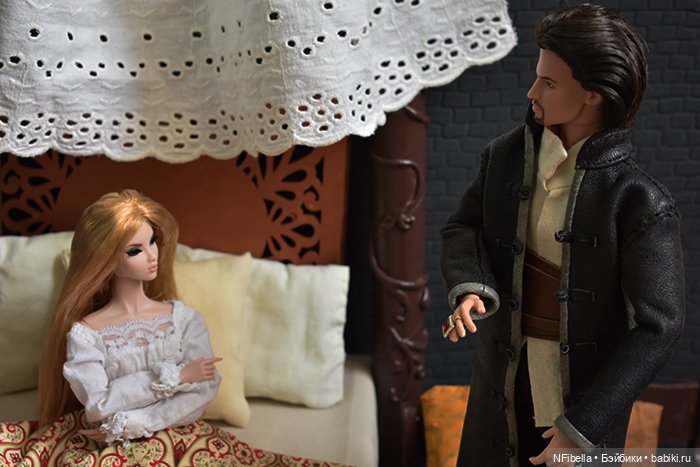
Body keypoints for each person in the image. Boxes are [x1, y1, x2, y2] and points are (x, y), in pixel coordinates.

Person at [440, 3, 685, 466]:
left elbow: (660, 325)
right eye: (538, 77)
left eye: (549, 83)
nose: (532, 92)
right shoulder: (505, 158)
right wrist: (473, 285)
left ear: (593, 95)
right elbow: (463, 226)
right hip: (501, 380)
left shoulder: (637, 200)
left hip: (582, 399)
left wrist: (586, 426)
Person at [37, 189, 221, 445]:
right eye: (135, 251)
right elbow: (99, 404)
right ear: (105, 260)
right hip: (112, 444)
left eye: (152, 241)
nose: (152, 255)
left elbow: (204, 389)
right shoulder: (86, 336)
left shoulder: (184, 320)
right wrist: (177, 377)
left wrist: (132, 423)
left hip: (173, 439)